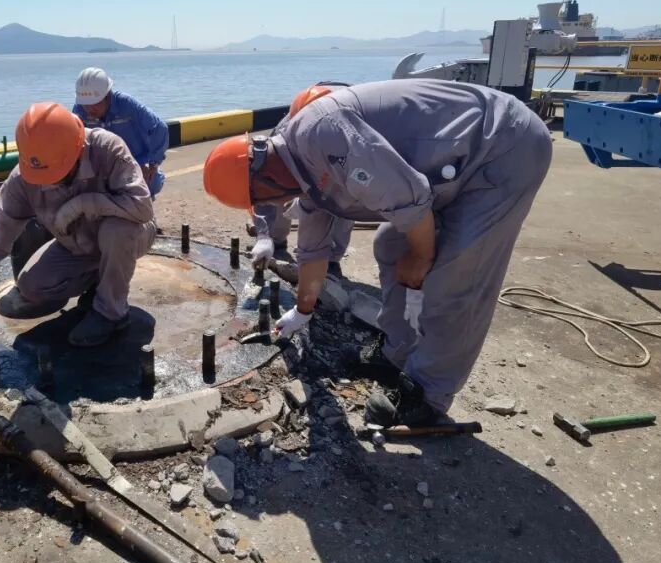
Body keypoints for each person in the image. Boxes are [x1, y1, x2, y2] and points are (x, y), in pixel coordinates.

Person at [202, 79, 552, 427]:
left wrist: (421, 257)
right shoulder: (303, 172)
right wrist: (302, 312)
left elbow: (410, 200)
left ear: (264, 178)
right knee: (390, 245)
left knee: (456, 274)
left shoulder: (324, 136)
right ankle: (396, 351)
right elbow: (313, 253)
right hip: (450, 167)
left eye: (263, 199)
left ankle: (427, 395)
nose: (275, 205)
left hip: (500, 147)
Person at [0, 102, 156, 347]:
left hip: (132, 233)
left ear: (78, 148)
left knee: (117, 231)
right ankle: (99, 284)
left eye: (57, 172)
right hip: (78, 246)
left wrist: (85, 203)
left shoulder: (106, 149)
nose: (50, 183)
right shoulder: (23, 178)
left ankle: (111, 313)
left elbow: (142, 208)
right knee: (32, 286)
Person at [250, 84, 343, 278]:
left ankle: (331, 259)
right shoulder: (284, 132)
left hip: (342, 165)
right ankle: (275, 240)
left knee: (342, 204)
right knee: (277, 186)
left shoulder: (345, 132)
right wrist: (264, 234)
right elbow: (263, 189)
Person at [72, 67, 169, 197]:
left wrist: (153, 163)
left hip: (135, 161)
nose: (89, 109)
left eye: (94, 103)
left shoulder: (126, 104)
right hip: (102, 165)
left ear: (107, 96)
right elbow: (73, 139)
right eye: (85, 104)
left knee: (152, 183)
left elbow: (159, 128)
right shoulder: (79, 110)